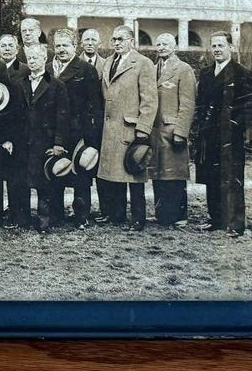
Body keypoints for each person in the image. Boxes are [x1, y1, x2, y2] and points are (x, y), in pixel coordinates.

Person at [96, 25, 156, 231]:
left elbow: (149, 101)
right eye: (114, 39)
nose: (116, 43)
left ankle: (139, 218)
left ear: (132, 41)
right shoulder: (109, 62)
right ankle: (117, 214)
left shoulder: (143, 64)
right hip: (110, 127)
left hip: (130, 128)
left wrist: (143, 130)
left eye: (121, 39)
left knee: (134, 174)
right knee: (114, 175)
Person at [194, 31, 251, 237]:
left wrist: (237, 127)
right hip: (209, 135)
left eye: (221, 45)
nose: (217, 50)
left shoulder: (242, 73)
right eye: (214, 46)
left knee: (232, 178)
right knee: (211, 177)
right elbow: (201, 103)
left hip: (230, 136)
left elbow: (248, 107)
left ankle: (236, 223)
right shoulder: (206, 73)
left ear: (231, 47)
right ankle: (216, 219)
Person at [51, 28, 103, 228]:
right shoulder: (48, 68)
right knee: (55, 172)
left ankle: (81, 217)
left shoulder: (85, 70)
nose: (61, 49)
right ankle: (56, 216)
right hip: (54, 132)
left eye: (65, 45)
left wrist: (92, 139)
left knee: (81, 176)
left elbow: (95, 106)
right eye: (58, 46)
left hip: (78, 132)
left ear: (74, 46)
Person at [21, 43, 71, 232]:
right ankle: (23, 218)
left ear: (45, 59)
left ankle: (45, 219)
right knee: (24, 181)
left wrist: (59, 143)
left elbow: (63, 116)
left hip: (46, 142)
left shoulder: (57, 85)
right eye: (29, 58)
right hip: (25, 141)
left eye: (36, 57)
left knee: (45, 182)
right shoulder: (22, 83)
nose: (32, 61)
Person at [149, 33, 197, 227]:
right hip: (154, 130)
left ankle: (179, 215)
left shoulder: (183, 69)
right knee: (158, 172)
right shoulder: (151, 69)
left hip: (172, 130)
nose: (161, 47)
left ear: (175, 46)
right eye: (158, 44)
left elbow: (187, 103)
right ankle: (162, 214)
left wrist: (181, 131)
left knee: (175, 175)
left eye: (165, 44)